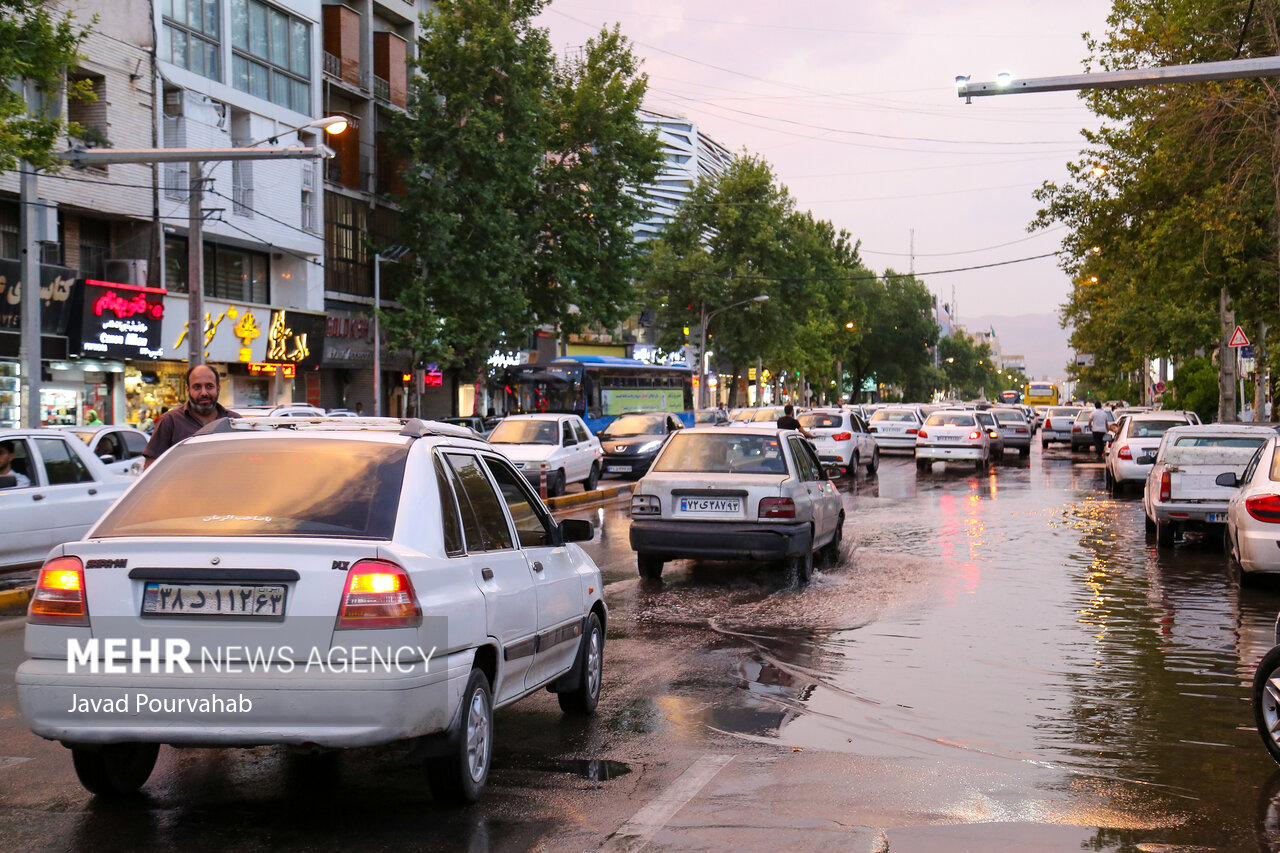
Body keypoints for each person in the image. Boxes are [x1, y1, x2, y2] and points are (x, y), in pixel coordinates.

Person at [143, 365, 239, 469]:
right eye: (197, 387)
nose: (204, 393)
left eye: (209, 386)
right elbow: (151, 467)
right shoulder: (169, 421)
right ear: (187, 389)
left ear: (218, 389)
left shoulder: (235, 423)